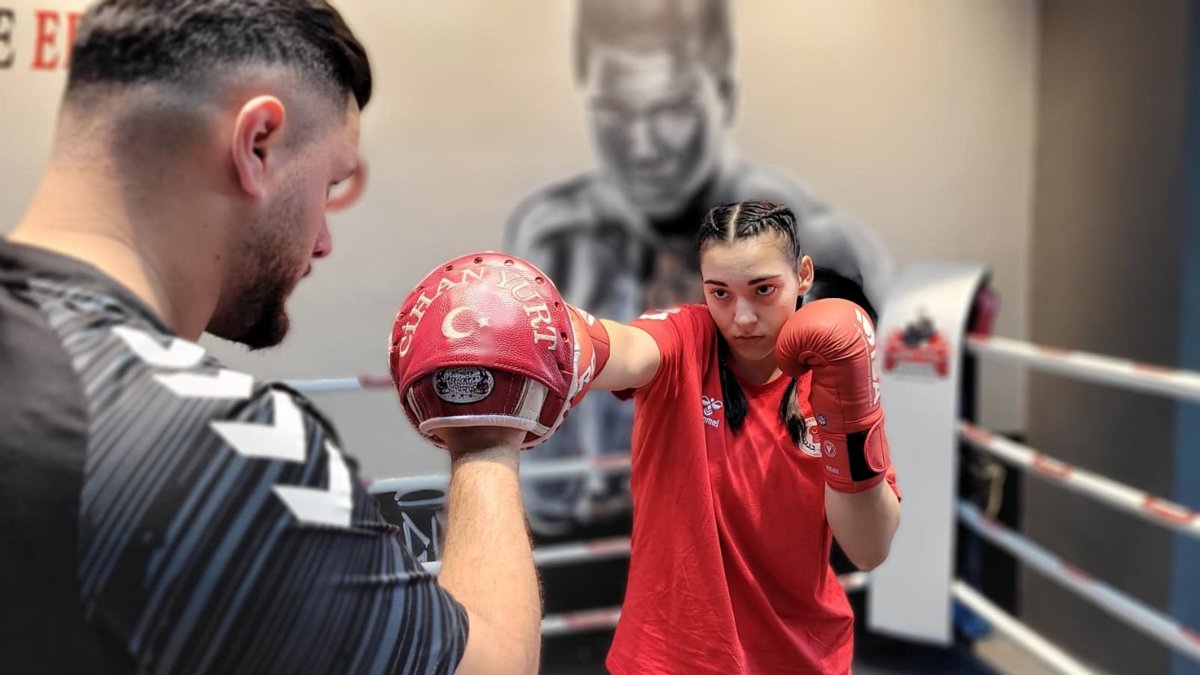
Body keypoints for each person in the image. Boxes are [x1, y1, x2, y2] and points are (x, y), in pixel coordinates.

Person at [0, 2, 539, 673]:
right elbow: (492, 665)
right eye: (329, 184)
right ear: (257, 143)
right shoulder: (229, 448)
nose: (323, 239)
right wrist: (487, 434)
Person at [506, 0, 892, 533]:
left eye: (673, 110)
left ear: (724, 99)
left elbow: (864, 484)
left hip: (770, 540)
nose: (642, 147)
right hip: (621, 555)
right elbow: (547, 494)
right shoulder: (558, 237)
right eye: (614, 112)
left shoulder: (824, 244)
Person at [576, 201, 902, 674]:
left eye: (763, 289)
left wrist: (850, 419)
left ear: (803, 275)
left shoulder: (830, 378)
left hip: (800, 657)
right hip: (671, 659)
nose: (742, 317)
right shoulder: (686, 340)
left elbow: (869, 549)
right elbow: (624, 350)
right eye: (721, 293)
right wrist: (556, 332)